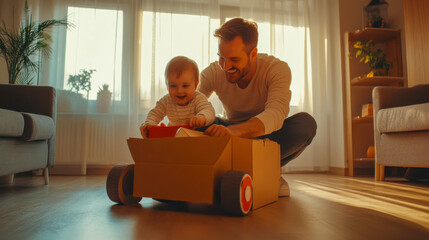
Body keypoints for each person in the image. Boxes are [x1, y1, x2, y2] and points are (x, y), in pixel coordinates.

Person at [198, 18, 317, 197]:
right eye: (221, 58)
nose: (225, 66)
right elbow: (192, 104)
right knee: (200, 121)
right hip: (230, 135)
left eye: (234, 59)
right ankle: (257, 170)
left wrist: (236, 132)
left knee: (306, 124)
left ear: (253, 54)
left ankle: (264, 169)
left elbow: (276, 114)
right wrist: (167, 131)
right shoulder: (214, 72)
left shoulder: (276, 69)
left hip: (265, 136)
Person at [140, 56, 215, 138]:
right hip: (175, 137)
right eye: (173, 86)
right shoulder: (166, 100)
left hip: (194, 136)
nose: (179, 91)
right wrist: (149, 123)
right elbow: (155, 113)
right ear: (167, 85)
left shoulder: (198, 98)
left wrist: (202, 117)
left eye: (185, 86)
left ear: (195, 85)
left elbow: (208, 110)